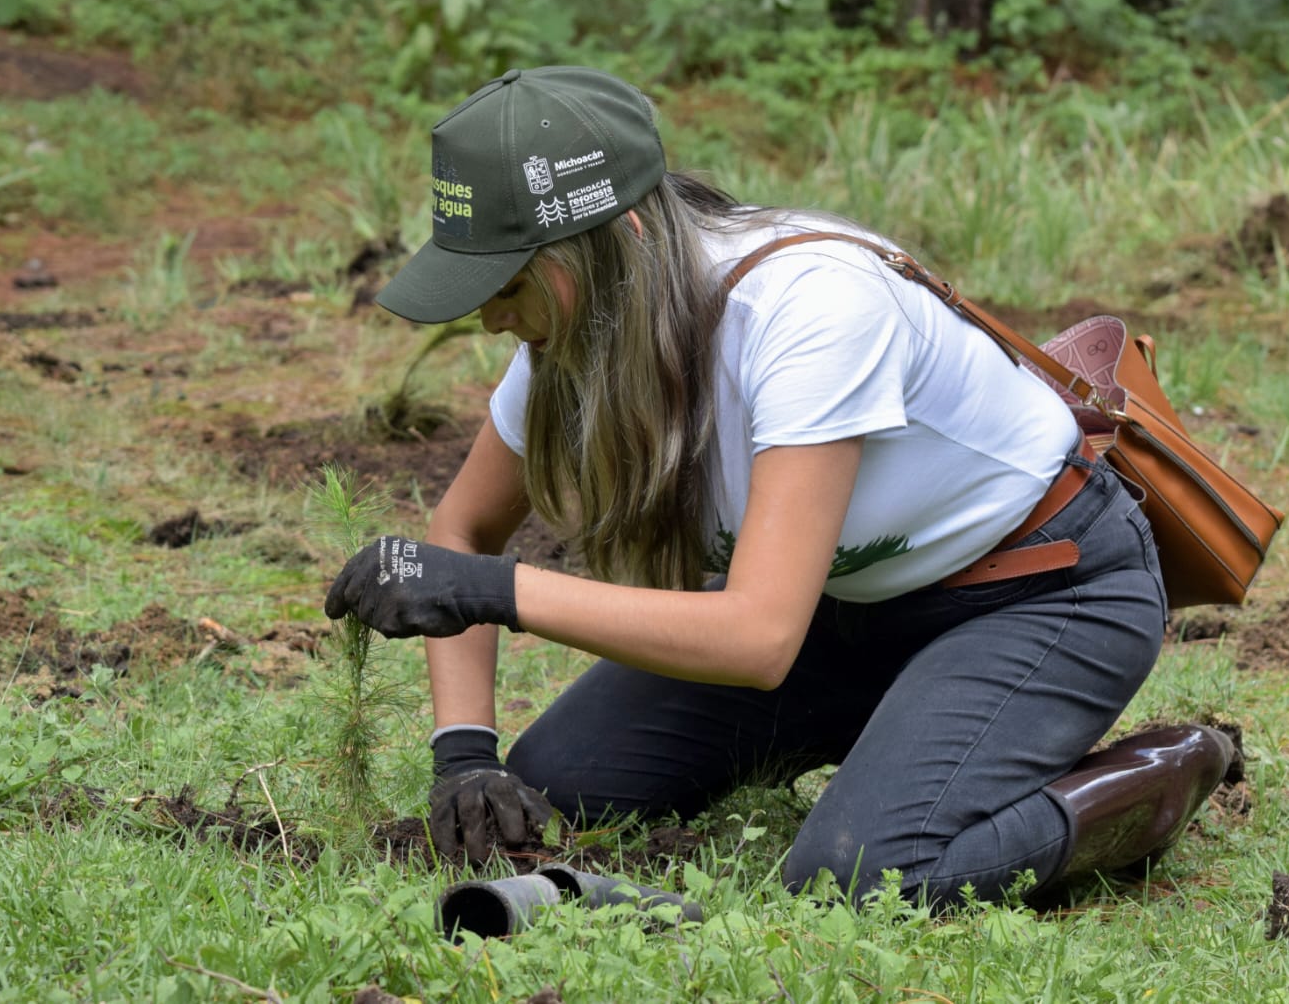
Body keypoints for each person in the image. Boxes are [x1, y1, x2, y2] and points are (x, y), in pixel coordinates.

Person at [323, 65, 1237, 908]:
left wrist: (496, 594)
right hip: (841, 614)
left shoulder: (808, 310)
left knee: (861, 872)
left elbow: (757, 636)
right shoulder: (577, 334)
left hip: (1041, 590)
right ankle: (913, 734)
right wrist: (463, 755)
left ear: (618, 241)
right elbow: (465, 526)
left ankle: (1156, 776)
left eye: (512, 281)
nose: (491, 319)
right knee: (560, 777)